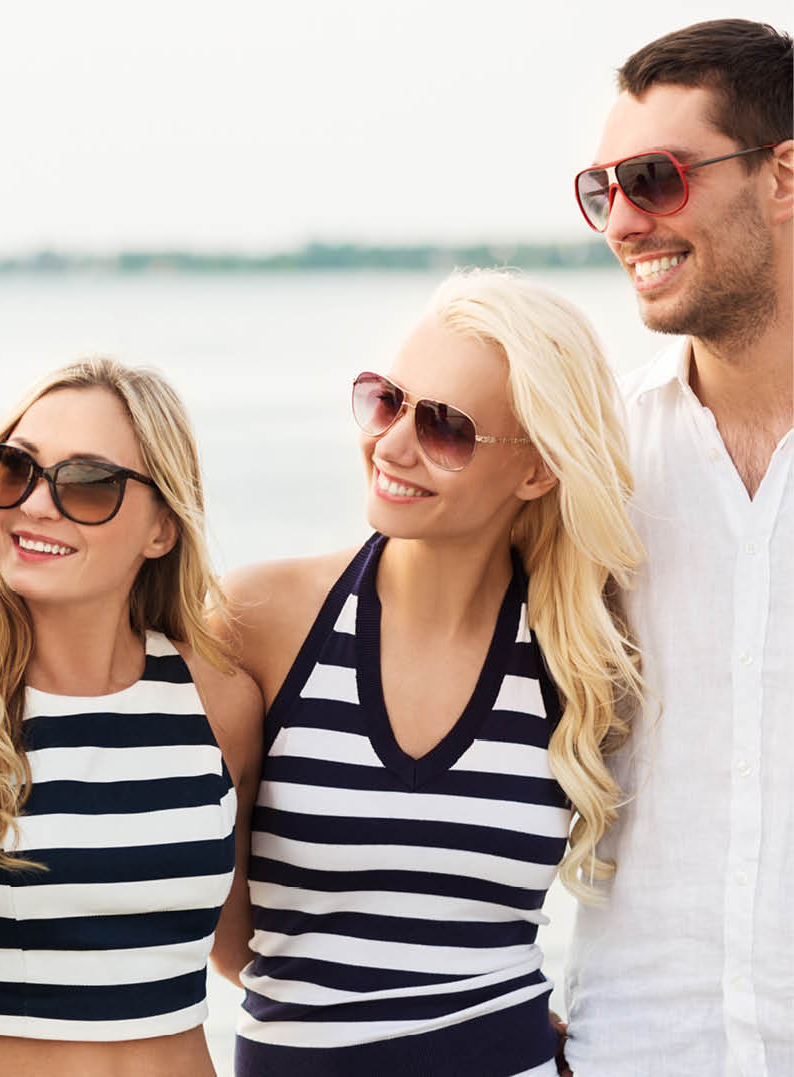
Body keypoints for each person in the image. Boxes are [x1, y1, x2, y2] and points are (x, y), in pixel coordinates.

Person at [222, 270, 643, 1075]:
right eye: (386, 400)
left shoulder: (579, 656)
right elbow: (212, 914)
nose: (391, 444)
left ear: (537, 469)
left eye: (445, 427)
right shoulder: (257, 622)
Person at [0, 358, 264, 1077]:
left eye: (86, 483)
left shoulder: (218, 702)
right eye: (14, 469)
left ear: (162, 527)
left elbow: (251, 952)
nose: (36, 504)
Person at [562, 19, 793, 1075]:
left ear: (781, 177)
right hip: (633, 1049)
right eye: (600, 189)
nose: (621, 221)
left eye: (652, 179)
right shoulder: (587, 464)